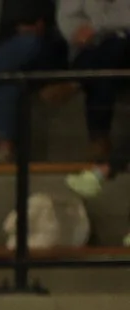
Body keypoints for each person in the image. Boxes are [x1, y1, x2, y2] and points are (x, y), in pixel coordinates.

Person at [0, 0, 67, 164]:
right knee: (7, 79)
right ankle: (6, 147)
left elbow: (60, 14)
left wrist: (41, 26)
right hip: (3, 48)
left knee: (28, 44)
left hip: (41, 42)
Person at [59, 0, 130, 196]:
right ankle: (103, 168)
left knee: (117, 44)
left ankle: (76, 81)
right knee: (106, 59)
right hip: (93, 49)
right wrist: (79, 33)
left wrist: (97, 27)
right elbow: (66, 17)